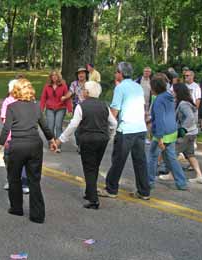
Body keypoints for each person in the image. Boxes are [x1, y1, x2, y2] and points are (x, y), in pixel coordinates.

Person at [0, 79, 57, 224]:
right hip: (34, 145)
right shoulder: (36, 107)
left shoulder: (12, 107)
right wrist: (52, 140)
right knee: (34, 180)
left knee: (14, 178)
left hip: (18, 146)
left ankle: (16, 208)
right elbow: (44, 127)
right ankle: (38, 215)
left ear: (16, 91)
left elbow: (6, 128)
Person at [56, 81, 117, 209]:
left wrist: (61, 139)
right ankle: (90, 191)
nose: (82, 91)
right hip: (102, 139)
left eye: (83, 89)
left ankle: (93, 200)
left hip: (87, 139)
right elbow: (113, 123)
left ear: (87, 93)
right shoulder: (104, 106)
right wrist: (109, 136)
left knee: (89, 168)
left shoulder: (81, 106)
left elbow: (73, 125)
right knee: (95, 166)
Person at [98, 62, 151, 200]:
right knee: (140, 161)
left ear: (120, 73)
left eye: (116, 72)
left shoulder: (120, 88)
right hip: (140, 128)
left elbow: (114, 111)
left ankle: (111, 189)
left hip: (126, 129)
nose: (115, 74)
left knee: (118, 160)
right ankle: (144, 191)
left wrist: (105, 125)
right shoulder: (138, 86)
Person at [146, 74, 187, 190]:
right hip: (172, 131)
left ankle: (149, 182)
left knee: (152, 157)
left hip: (162, 134)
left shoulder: (158, 100)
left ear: (154, 87)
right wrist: (150, 119)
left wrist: (159, 138)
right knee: (171, 158)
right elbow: (166, 115)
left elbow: (160, 120)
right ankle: (181, 182)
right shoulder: (168, 96)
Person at [162, 84, 202, 184]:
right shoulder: (186, 102)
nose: (172, 93)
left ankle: (171, 175)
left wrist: (183, 129)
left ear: (178, 92)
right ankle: (199, 176)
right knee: (190, 155)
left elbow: (190, 117)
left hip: (186, 134)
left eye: (173, 91)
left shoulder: (183, 104)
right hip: (192, 132)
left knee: (172, 153)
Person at [1, 78, 29, 194]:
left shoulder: (25, 101)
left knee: (23, 161)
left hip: (23, 137)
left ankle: (24, 183)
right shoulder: (7, 101)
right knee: (8, 159)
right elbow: (4, 121)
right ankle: (11, 180)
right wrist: (6, 139)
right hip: (10, 137)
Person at [40, 70, 72, 153]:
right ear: (50, 77)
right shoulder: (47, 86)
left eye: (55, 75)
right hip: (50, 108)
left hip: (60, 108)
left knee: (58, 126)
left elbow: (67, 98)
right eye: (52, 75)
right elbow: (43, 98)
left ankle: (58, 145)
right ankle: (51, 144)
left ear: (58, 76)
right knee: (50, 127)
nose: (54, 77)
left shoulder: (63, 86)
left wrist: (69, 109)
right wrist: (41, 108)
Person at [61, 67, 89, 150]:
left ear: (86, 74)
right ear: (77, 75)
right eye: (79, 73)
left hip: (87, 107)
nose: (81, 75)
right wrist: (64, 97)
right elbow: (70, 92)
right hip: (77, 107)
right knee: (77, 127)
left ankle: (83, 145)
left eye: (83, 73)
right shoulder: (74, 83)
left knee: (86, 127)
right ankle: (79, 144)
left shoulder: (89, 84)